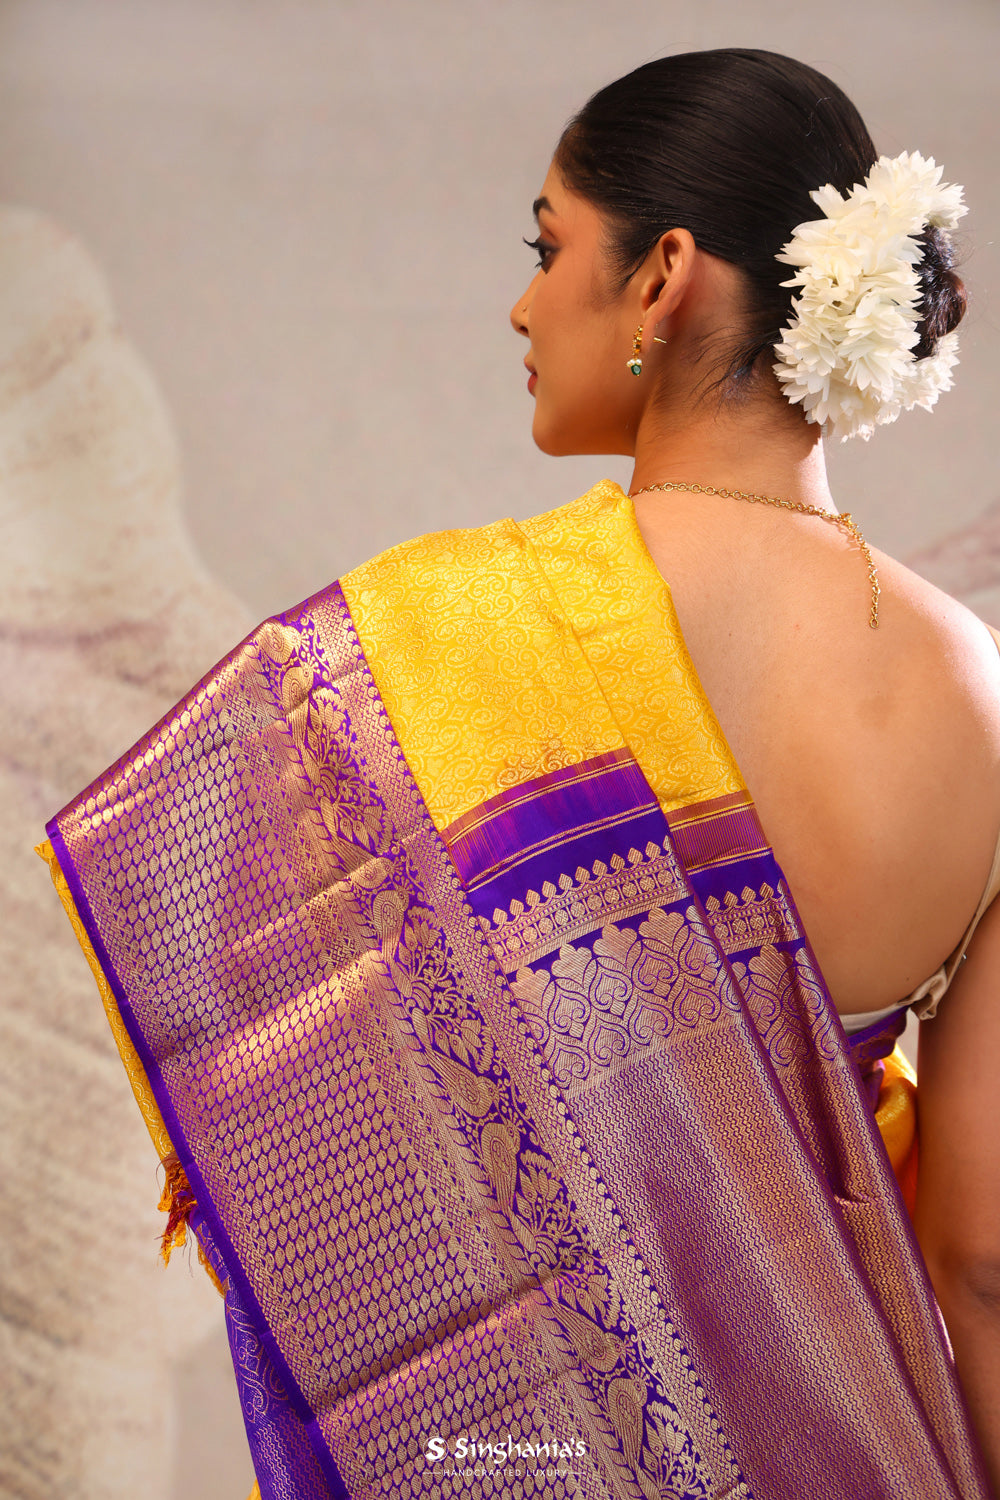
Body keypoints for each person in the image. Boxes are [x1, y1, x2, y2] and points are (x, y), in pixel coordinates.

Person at [38, 47, 999, 1500]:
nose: (522, 303)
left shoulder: (442, 638)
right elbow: (982, 1257)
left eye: (549, 249)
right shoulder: (975, 690)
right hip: (854, 1441)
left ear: (663, 276)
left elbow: (281, 1050)